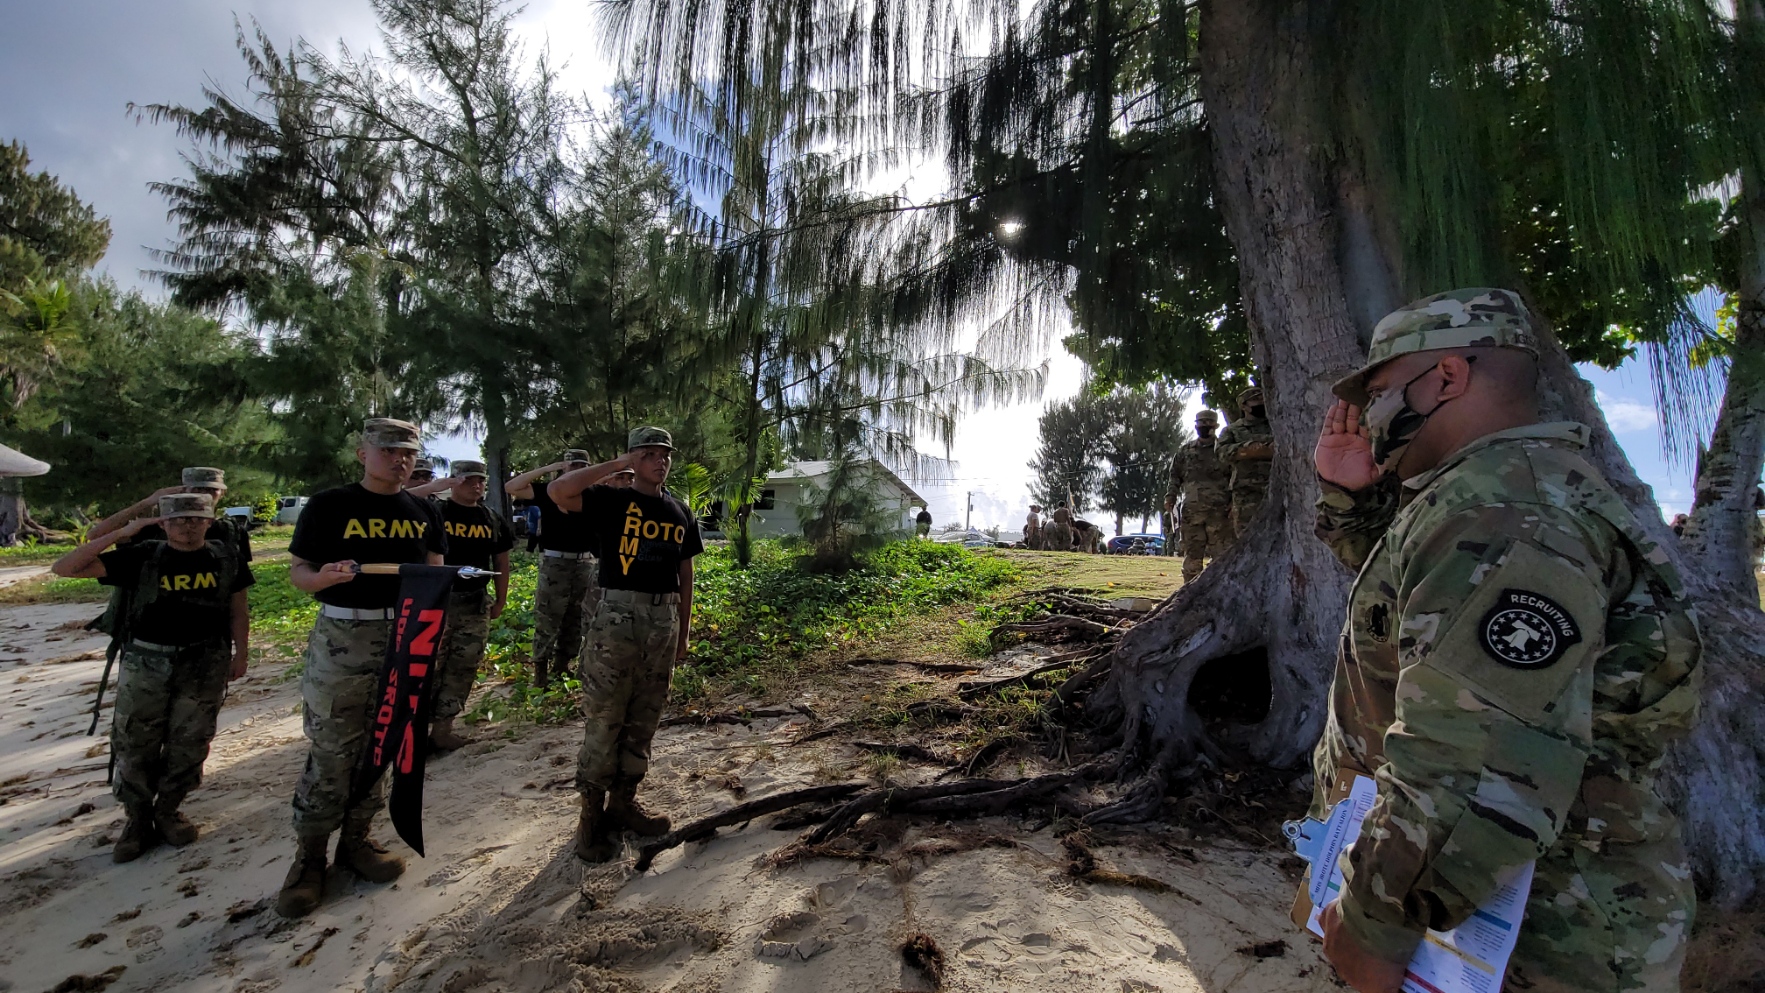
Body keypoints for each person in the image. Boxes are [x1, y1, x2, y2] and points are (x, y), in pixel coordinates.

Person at [1310, 288, 1701, 993]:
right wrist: (1351, 498)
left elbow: (1472, 756)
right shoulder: (1489, 492)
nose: (1370, 415)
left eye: (1380, 392)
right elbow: (1413, 611)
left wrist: (1375, 924)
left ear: (1446, 377)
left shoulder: (1504, 507)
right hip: (1483, 911)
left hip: (1536, 935)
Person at [274, 418, 446, 919]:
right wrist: (322, 578)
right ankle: (309, 858)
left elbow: (434, 574)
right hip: (345, 636)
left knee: (384, 741)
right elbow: (299, 572)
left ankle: (357, 841)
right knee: (332, 746)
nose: (399, 459)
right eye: (388, 450)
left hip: (404, 639)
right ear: (362, 453)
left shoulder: (424, 511)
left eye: (408, 452)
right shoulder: (330, 505)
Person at [52, 492, 254, 863]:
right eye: (178, 519)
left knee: (191, 740)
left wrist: (240, 653)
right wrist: (124, 531)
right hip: (147, 662)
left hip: (204, 661)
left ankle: (169, 810)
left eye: (196, 519)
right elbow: (65, 568)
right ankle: (138, 818)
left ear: (209, 522)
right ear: (163, 523)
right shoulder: (142, 556)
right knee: (135, 741)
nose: (188, 526)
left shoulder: (226, 557)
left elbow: (238, 610)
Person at [547, 427, 703, 863]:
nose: (660, 461)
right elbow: (559, 491)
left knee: (644, 717)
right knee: (605, 717)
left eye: (664, 454)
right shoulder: (611, 501)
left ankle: (623, 804)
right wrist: (617, 464)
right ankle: (590, 818)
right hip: (617, 620)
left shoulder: (679, 510)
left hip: (662, 619)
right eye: (649, 454)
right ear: (634, 458)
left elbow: (685, 573)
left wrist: (683, 631)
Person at [409, 460, 513, 751]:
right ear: (454, 481)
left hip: (475, 602)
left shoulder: (491, 519)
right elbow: (401, 500)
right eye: (469, 480)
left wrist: (501, 599)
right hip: (437, 602)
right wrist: (436, 486)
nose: (476, 486)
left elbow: (501, 562)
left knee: (463, 667)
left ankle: (443, 730)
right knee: (427, 667)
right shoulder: (435, 511)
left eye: (481, 481)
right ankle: (415, 731)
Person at [505, 450, 597, 688]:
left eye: (582, 466)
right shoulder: (548, 490)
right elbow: (511, 487)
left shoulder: (592, 494)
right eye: (572, 465)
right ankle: (540, 671)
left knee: (576, 618)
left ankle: (562, 665)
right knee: (548, 617)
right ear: (563, 468)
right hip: (555, 562)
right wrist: (547, 469)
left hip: (585, 563)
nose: (577, 470)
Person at [89, 467, 253, 561]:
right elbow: (96, 535)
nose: (204, 494)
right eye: (197, 489)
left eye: (211, 490)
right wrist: (147, 502)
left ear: (222, 494)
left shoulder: (231, 531)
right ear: (183, 490)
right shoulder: (160, 526)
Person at [1164, 410, 1233, 582]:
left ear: (1216, 425)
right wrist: (1170, 496)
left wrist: (1233, 503)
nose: (1204, 426)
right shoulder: (1185, 451)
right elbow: (1175, 475)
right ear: (1196, 425)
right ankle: (1189, 590)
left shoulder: (1224, 450)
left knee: (1221, 557)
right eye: (1201, 423)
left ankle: (1218, 590)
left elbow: (1234, 475)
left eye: (1208, 423)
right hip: (1192, 513)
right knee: (1192, 556)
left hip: (1219, 513)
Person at [1215, 387, 1274, 537]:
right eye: (1256, 400)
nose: (1261, 402)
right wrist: (1247, 449)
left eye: (1262, 398)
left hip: (1276, 487)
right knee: (1248, 535)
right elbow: (1221, 453)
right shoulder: (1232, 430)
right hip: (1247, 492)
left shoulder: (1276, 424)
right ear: (1244, 406)